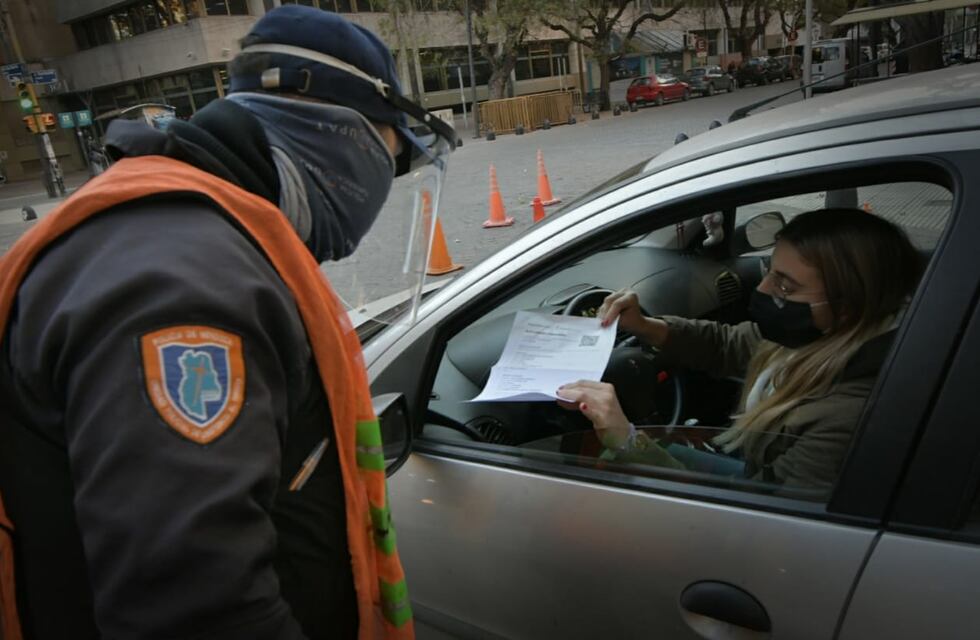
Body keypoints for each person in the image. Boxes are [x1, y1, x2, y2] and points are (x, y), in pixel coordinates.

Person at [0, 6, 457, 639]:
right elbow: (193, 606)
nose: (385, 185)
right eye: (392, 156)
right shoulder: (182, 282)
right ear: (339, 132)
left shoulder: (211, 239)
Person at [558, 209, 921, 489]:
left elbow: (765, 525)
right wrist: (647, 326)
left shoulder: (847, 419)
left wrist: (626, 440)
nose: (761, 290)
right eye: (769, 271)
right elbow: (726, 344)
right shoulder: (818, 337)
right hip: (754, 475)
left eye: (785, 287)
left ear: (847, 306)